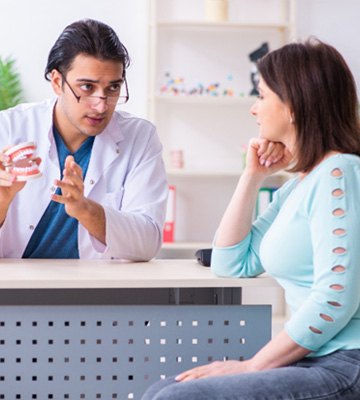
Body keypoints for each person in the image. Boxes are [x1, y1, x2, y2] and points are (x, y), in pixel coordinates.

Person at [141, 38, 360, 399]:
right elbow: (230, 263)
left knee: (175, 398)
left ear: (293, 105)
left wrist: (252, 365)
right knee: (162, 390)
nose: (254, 109)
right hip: (314, 358)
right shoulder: (298, 185)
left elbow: (336, 299)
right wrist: (252, 176)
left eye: (262, 96)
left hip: (346, 362)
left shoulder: (340, 174)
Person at [0, 19, 168, 260]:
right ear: (57, 82)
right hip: (15, 292)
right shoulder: (7, 128)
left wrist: (85, 209)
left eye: (113, 88)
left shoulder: (140, 138)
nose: (101, 105)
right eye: (87, 87)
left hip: (98, 292)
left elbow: (148, 243)